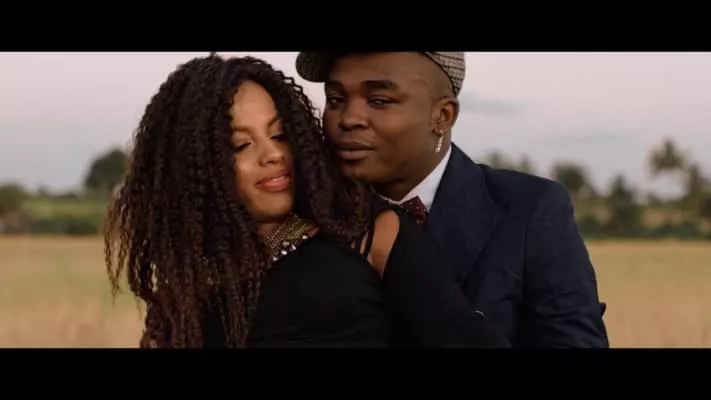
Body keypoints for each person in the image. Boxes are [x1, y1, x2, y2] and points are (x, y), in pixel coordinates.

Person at [103, 54, 509, 348]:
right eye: (241, 145)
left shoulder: (368, 234)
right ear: (196, 169)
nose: (273, 155)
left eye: (280, 135)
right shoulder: (188, 290)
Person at [295, 51, 610, 348]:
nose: (349, 118)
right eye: (335, 99)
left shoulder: (530, 210)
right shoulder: (306, 218)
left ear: (443, 116)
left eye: (379, 100)